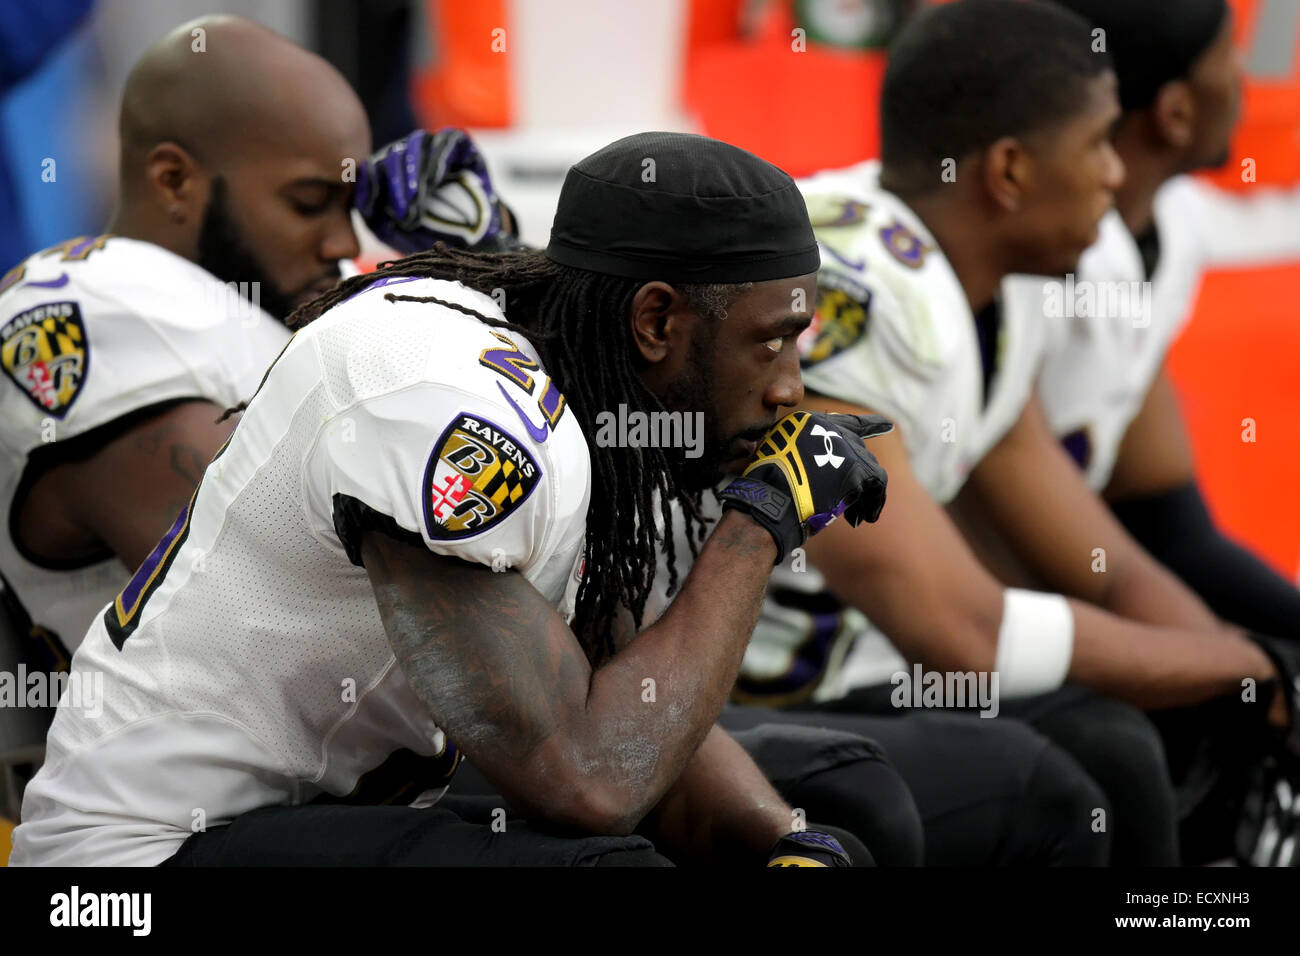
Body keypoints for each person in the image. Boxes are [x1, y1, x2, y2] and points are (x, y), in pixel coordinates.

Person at [11, 131, 902, 867]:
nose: (791, 389)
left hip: (305, 821)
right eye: (773, 343)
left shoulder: (578, 396)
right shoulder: (452, 404)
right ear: (657, 322)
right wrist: (759, 523)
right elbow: (593, 780)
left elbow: (630, 706)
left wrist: (790, 843)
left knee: (846, 816)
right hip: (134, 864)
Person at [729, 0, 1298, 866]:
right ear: (1007, 172)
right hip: (731, 698)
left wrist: (1249, 675)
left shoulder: (998, 286)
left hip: (864, 668)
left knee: (1158, 725)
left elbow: (1106, 564)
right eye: (1097, 143)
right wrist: (1243, 668)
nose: (1116, 175)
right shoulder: (852, 300)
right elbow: (963, 635)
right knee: (1087, 766)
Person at [0, 15, 517, 672]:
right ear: (174, 182)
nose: (343, 245)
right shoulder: (97, 314)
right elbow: (312, 636)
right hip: (193, 766)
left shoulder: (257, 304)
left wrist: (487, 279)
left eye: (352, 206)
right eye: (308, 203)